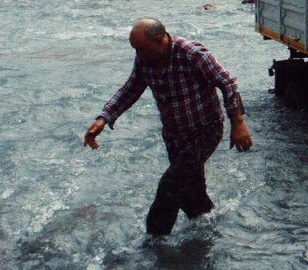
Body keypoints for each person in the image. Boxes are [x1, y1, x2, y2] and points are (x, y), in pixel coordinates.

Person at [83, 19, 252, 236]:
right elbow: (131, 88)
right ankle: (208, 234)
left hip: (205, 130)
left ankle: (154, 245)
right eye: (135, 49)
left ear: (161, 40)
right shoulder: (145, 57)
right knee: (191, 191)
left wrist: (237, 123)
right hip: (174, 135)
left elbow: (227, 83)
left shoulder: (191, 54)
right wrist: (104, 119)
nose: (139, 55)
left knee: (169, 188)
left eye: (141, 49)